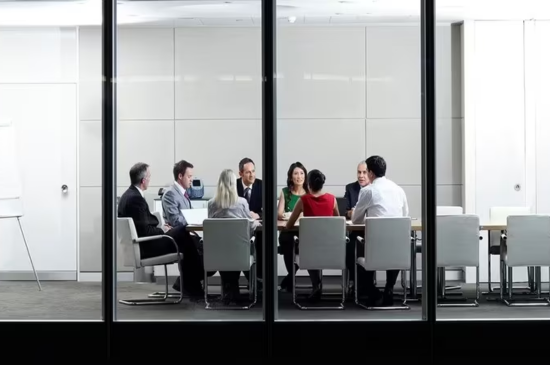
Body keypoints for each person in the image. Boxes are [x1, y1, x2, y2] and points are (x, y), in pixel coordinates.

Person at [118, 163, 205, 300]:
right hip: (146, 246)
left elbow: (143, 226)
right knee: (184, 234)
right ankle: (192, 283)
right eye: (149, 177)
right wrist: (163, 230)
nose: (150, 179)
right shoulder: (135, 199)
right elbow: (145, 231)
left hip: (145, 243)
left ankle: (189, 283)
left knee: (188, 238)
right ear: (143, 180)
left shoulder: (129, 195)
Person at [351, 156, 409, 307]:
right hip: (398, 251)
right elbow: (404, 216)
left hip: (374, 250)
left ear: (370, 173)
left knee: (356, 245)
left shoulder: (367, 191)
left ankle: (372, 291)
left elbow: (356, 220)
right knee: (393, 247)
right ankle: (389, 288)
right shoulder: (398, 190)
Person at [207, 169, 260, 305]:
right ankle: (236, 289)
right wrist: (255, 220)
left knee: (225, 249)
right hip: (239, 252)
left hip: (219, 253)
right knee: (240, 246)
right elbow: (249, 225)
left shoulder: (212, 204)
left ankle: (229, 290)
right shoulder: (241, 202)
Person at [285, 169, 339, 301]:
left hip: (309, 250)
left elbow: (288, 226)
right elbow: (338, 222)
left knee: (301, 246)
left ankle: (315, 284)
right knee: (313, 246)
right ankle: (316, 285)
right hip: (330, 249)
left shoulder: (303, 200)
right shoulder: (332, 199)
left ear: (308, 184)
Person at [277, 162, 308, 292]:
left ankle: (289, 280)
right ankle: (290, 279)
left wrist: (294, 215)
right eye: (295, 173)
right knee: (286, 241)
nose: (299, 176)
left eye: (301, 173)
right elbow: (279, 213)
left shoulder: (309, 193)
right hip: (288, 229)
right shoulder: (285, 192)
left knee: (300, 246)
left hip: (305, 231)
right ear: (290, 177)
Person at [236, 157, 264, 286]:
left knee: (263, 239)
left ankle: (258, 278)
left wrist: (257, 214)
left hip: (257, 226)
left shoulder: (262, 185)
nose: (252, 174)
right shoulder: (233, 186)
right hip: (237, 227)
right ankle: (247, 280)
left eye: (253, 171)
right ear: (241, 173)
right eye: (248, 172)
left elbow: (269, 209)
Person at [344, 161, 371, 293]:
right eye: (359, 172)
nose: (361, 176)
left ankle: (366, 284)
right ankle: (357, 282)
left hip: (374, 232)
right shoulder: (350, 188)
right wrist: (351, 212)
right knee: (350, 248)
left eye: (364, 172)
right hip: (356, 231)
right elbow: (345, 210)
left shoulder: (374, 189)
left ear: (370, 174)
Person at [161, 160, 194, 228]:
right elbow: (175, 221)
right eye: (189, 176)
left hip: (186, 232)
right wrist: (193, 220)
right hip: (179, 235)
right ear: (180, 176)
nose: (191, 179)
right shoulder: (170, 194)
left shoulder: (183, 192)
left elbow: (190, 213)